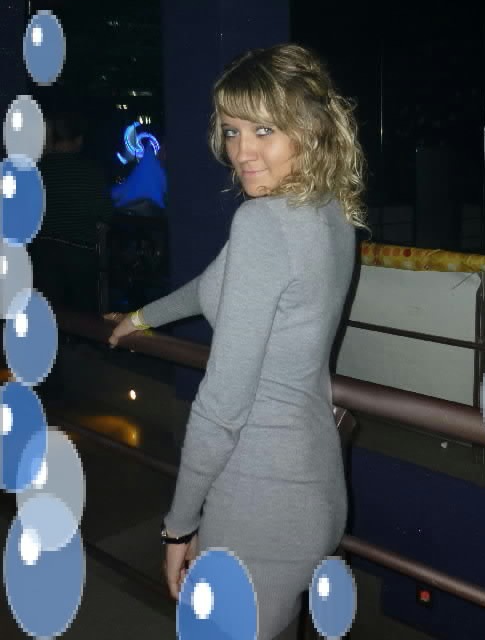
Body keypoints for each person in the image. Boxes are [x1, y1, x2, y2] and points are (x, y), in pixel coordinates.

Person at [105, 43, 368, 640]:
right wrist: (142, 317)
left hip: (259, 496)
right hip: (314, 485)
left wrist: (178, 524)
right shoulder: (329, 210)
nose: (242, 151)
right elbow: (214, 285)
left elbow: (222, 405)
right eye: (231, 130)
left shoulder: (263, 224)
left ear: (310, 128)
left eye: (263, 130)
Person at [31, 110, 113, 313]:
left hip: (42, 252)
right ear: (79, 139)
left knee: (49, 312)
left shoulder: (38, 170)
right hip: (79, 253)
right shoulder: (90, 171)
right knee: (84, 315)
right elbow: (104, 212)